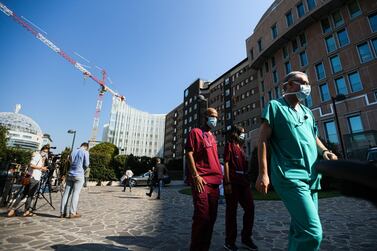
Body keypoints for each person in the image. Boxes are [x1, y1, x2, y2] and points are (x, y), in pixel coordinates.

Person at [256, 71, 338, 251]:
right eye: (301, 82)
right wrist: (263, 173)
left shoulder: (307, 112)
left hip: (312, 176)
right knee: (313, 232)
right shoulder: (275, 106)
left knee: (300, 228)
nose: (306, 87)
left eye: (308, 83)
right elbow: (262, 140)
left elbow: (314, 137)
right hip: (290, 175)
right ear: (287, 86)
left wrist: (325, 152)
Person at [186, 107, 223, 251]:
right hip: (201, 181)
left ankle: (205, 247)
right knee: (202, 217)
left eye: (217, 117)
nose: (215, 119)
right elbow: (189, 153)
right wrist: (195, 175)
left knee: (211, 219)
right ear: (205, 117)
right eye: (213, 116)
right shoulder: (195, 132)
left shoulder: (212, 137)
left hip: (215, 183)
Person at [223, 126, 257, 251]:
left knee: (250, 208)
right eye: (242, 133)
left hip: (244, 183)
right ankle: (229, 241)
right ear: (236, 134)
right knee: (231, 212)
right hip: (233, 182)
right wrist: (227, 183)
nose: (244, 135)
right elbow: (226, 163)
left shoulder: (241, 149)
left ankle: (246, 238)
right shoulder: (229, 145)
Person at [7, 145, 50, 217]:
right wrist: (41, 167)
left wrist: (43, 163)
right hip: (33, 178)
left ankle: (13, 210)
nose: (45, 153)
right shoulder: (37, 156)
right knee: (29, 195)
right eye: (44, 151)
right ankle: (25, 211)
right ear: (41, 150)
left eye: (47, 152)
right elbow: (31, 165)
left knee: (24, 194)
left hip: (33, 177)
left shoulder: (40, 157)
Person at [60, 142, 89, 218]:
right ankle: (72, 212)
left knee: (66, 193)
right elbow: (86, 164)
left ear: (81, 145)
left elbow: (70, 162)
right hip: (79, 174)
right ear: (86, 147)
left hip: (70, 174)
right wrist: (83, 169)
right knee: (76, 193)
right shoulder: (85, 152)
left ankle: (62, 212)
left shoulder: (74, 151)